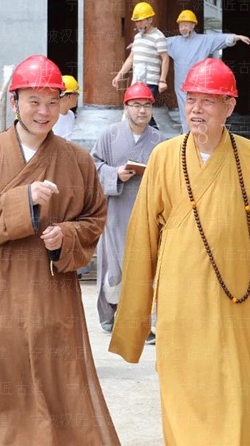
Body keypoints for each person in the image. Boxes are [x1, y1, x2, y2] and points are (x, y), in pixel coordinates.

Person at [109, 58, 250, 445]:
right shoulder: (164, 157)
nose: (197, 110)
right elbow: (141, 243)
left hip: (242, 310)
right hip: (183, 312)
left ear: (230, 106)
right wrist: (134, 321)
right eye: (191, 100)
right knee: (187, 407)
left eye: (209, 101)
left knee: (245, 409)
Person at [0, 54, 119, 445]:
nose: (44, 112)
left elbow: (95, 220)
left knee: (60, 399)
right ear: (14, 102)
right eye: (33, 101)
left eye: (52, 101)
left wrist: (66, 237)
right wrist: (22, 201)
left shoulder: (77, 161)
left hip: (52, 304)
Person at [90, 82, 163, 335]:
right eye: (136, 105)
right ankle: (111, 311)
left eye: (147, 105)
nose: (142, 111)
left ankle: (141, 323)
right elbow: (93, 166)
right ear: (126, 107)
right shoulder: (109, 135)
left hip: (147, 213)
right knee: (114, 269)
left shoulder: (159, 140)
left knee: (144, 269)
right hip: (116, 212)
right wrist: (114, 174)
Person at [165, 8, 250, 132]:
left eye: (186, 25)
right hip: (182, 86)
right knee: (184, 111)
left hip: (200, 85)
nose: (183, 28)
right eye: (181, 26)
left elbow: (219, 38)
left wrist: (236, 37)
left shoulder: (203, 40)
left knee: (202, 110)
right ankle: (188, 137)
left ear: (193, 25)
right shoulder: (174, 42)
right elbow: (157, 43)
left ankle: (203, 135)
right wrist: (139, 43)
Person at [111, 1, 169, 128]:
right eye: (137, 21)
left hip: (150, 81)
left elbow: (165, 58)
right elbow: (131, 58)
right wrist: (120, 75)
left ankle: (154, 137)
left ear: (150, 19)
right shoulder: (137, 37)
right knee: (137, 109)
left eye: (141, 20)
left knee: (141, 108)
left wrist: (162, 80)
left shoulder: (158, 37)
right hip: (137, 81)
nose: (138, 24)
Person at [51, 74, 80, 140]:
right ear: (69, 96)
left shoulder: (71, 114)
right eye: (77, 94)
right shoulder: (51, 116)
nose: (78, 97)